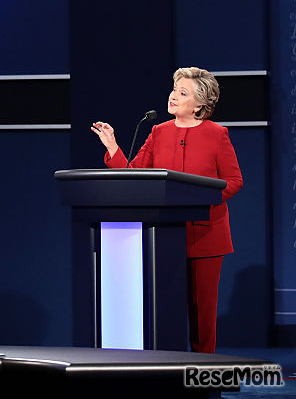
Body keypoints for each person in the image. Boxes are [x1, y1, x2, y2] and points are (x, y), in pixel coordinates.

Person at [91, 67, 243, 353]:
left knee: (202, 312)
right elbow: (133, 174)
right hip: (163, 236)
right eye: (174, 90)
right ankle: (166, 374)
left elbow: (234, 181)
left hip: (206, 236)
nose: (173, 96)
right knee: (164, 307)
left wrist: (201, 199)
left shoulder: (217, 134)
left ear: (200, 104)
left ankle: (202, 378)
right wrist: (112, 147)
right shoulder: (158, 132)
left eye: (182, 93)